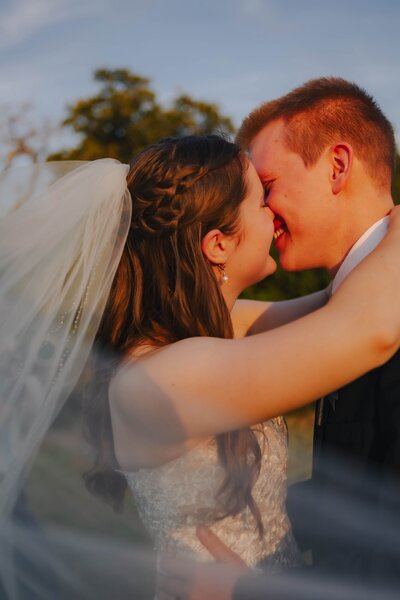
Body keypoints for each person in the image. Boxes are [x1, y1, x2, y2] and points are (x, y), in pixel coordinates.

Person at [1, 134, 400, 599]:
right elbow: (370, 328)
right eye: (259, 200)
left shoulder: (209, 329)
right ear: (217, 244)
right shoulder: (163, 375)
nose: (272, 209)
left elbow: (339, 302)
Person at [157, 79, 400, 599]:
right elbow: (369, 496)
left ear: (337, 167)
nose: (265, 210)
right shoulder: (351, 304)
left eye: (268, 183)